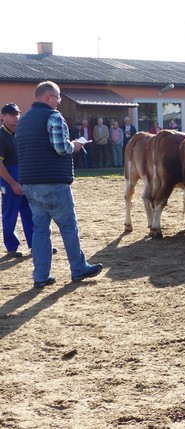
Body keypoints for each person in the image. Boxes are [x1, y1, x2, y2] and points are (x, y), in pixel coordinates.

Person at [15, 81, 103, 288]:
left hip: (30, 182)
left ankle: (41, 275)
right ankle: (78, 268)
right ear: (48, 98)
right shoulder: (53, 116)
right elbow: (61, 148)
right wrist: (77, 145)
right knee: (68, 227)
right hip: (53, 182)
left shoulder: (23, 120)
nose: (59, 101)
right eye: (58, 97)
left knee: (40, 230)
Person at [0, 103, 34, 258]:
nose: (16, 117)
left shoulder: (20, 132)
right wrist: (13, 183)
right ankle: (12, 247)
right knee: (10, 213)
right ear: (3, 116)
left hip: (24, 175)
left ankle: (35, 244)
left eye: (17, 114)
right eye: (12, 114)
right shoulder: (1, 136)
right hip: (8, 177)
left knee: (30, 212)